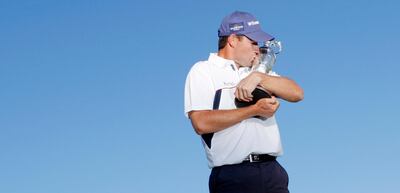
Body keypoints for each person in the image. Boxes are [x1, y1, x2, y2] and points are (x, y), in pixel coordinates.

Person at [184, 10, 304, 193]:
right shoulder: (203, 70)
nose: (258, 48)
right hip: (233, 176)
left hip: (273, 172)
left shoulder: (257, 72)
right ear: (233, 40)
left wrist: (258, 77)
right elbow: (201, 122)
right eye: (253, 42)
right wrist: (254, 110)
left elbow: (296, 93)